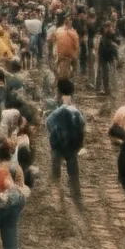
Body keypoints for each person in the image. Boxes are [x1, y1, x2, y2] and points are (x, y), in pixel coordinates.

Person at [46, 78, 85, 209]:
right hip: (72, 148)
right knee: (73, 174)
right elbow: (82, 125)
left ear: (59, 92)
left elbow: (49, 123)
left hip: (58, 147)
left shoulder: (57, 110)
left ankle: (57, 201)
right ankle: (77, 200)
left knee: (56, 174)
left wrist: (55, 136)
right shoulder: (76, 111)